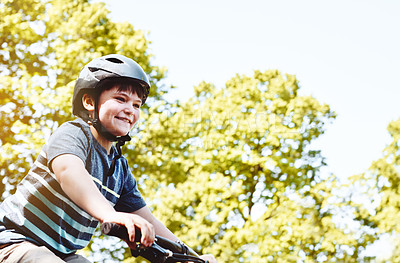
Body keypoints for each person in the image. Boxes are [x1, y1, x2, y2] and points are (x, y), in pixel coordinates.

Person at [0, 54, 216, 263]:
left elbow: (149, 220)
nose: (129, 110)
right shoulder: (74, 134)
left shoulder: (119, 170)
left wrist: (191, 258)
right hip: (13, 241)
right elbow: (69, 172)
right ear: (88, 101)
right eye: (121, 99)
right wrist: (110, 215)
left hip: (62, 253)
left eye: (136, 104)